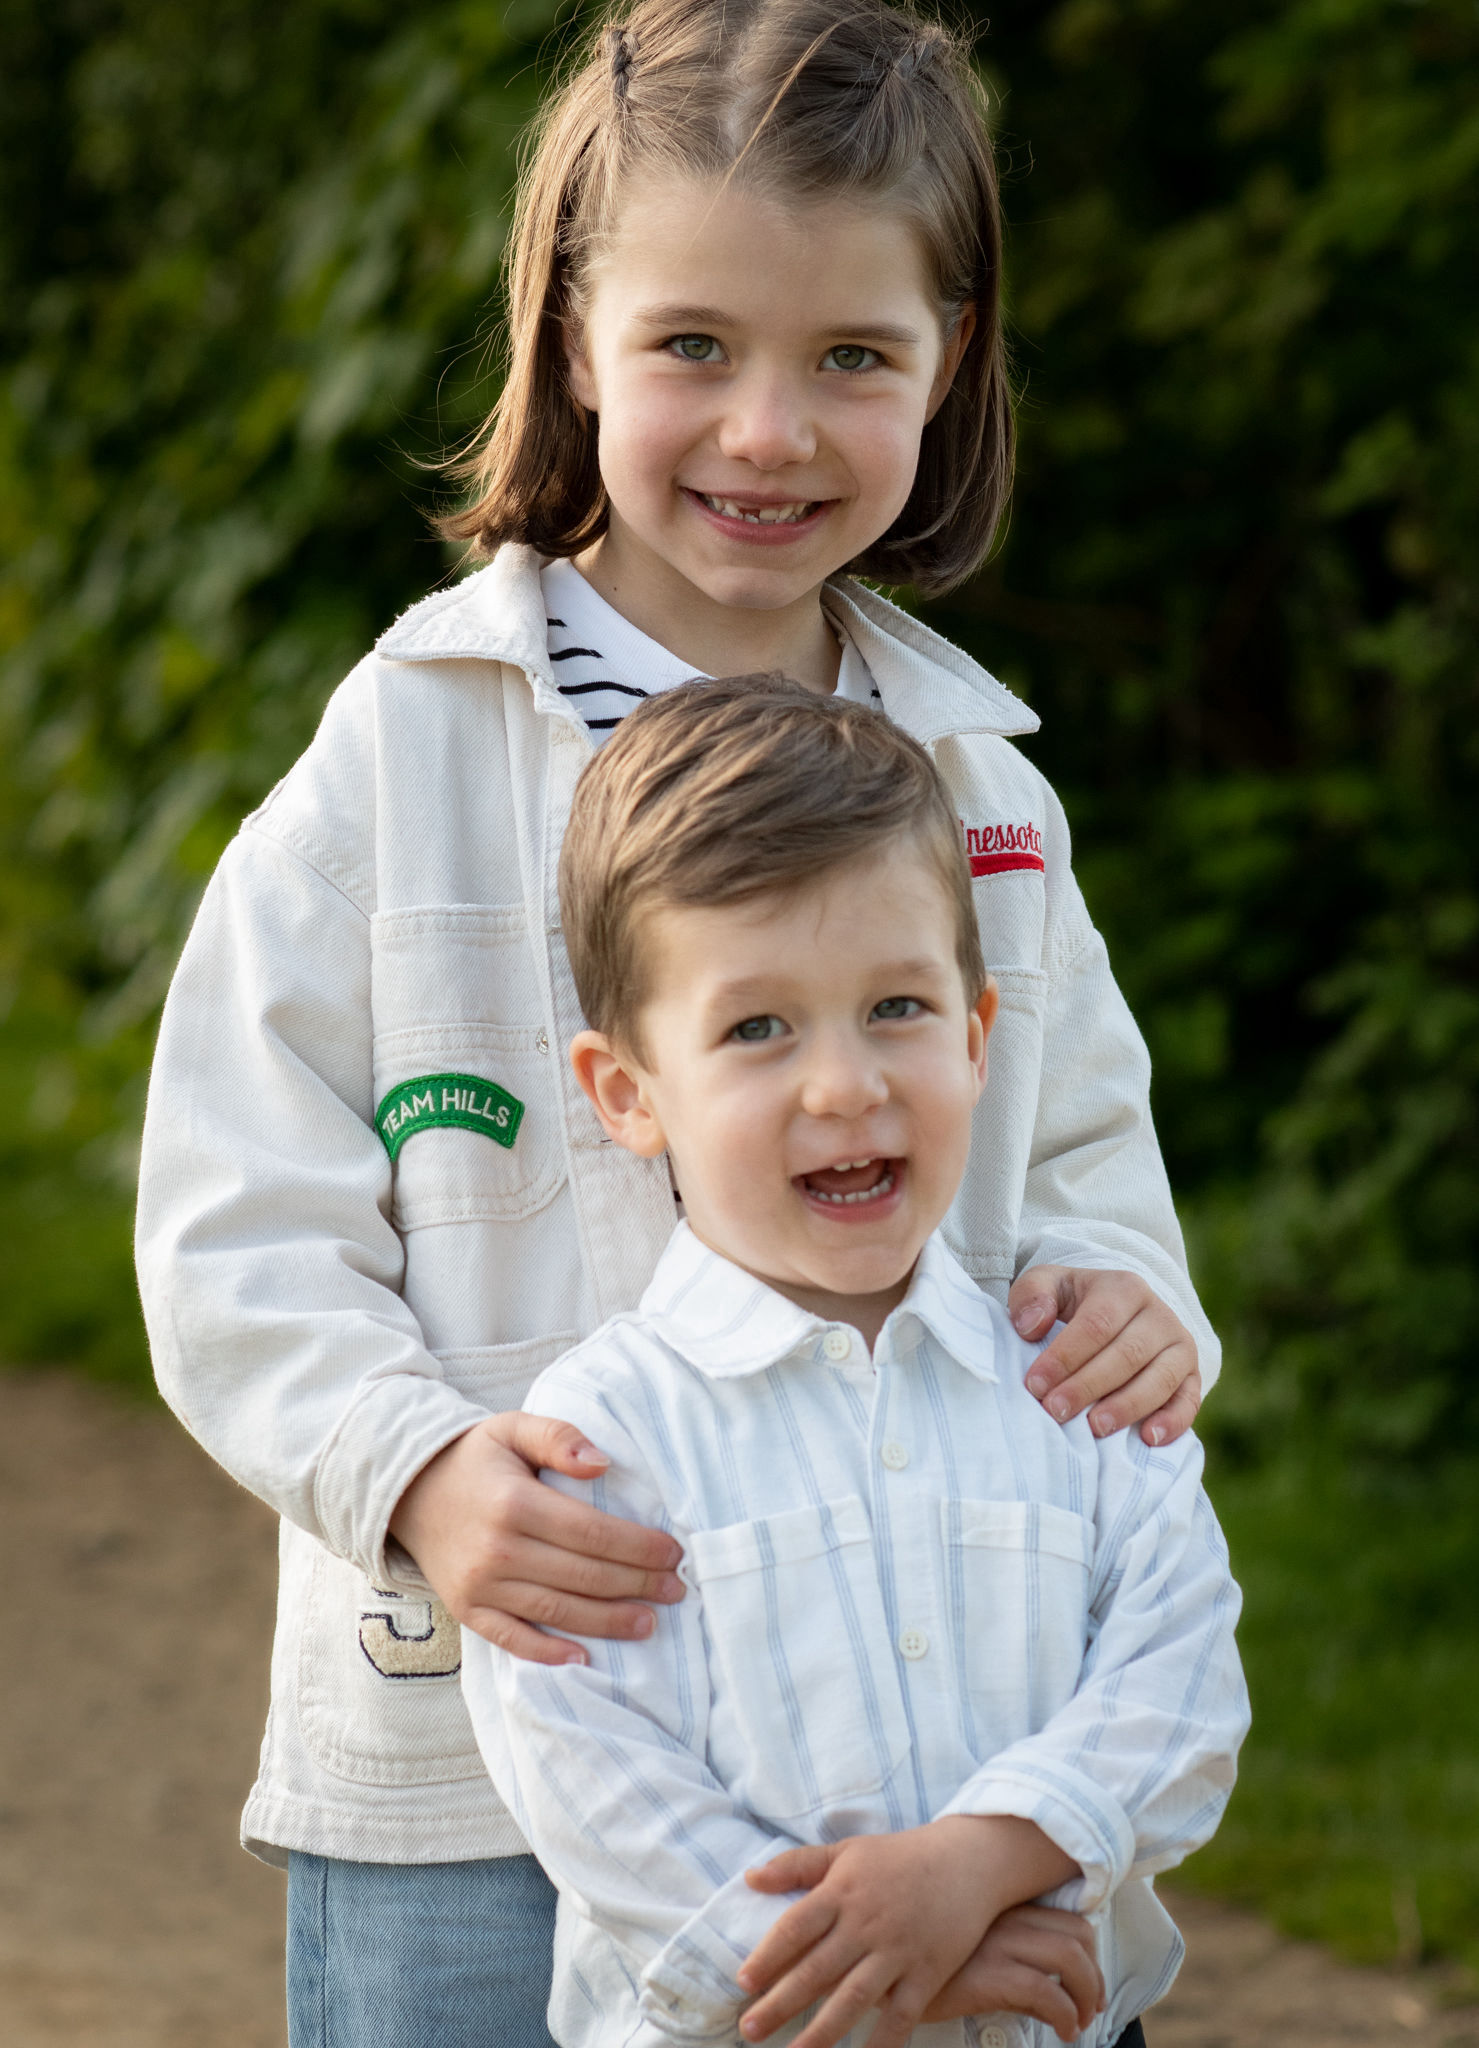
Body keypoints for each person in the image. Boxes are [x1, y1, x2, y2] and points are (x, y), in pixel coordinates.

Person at [135, 3, 1221, 2042]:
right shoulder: (408, 754)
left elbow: (1075, 1162)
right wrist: (421, 1471)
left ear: (947, 364)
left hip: (915, 1767)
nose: (767, 433)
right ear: (568, 334)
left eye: (850, 359)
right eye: (693, 346)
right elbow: (230, 1216)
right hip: (479, 1752)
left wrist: (1128, 1292)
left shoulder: (981, 794)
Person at [461, 675, 1248, 2048]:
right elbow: (592, 1784)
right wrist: (875, 1961)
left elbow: (1178, 1681)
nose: (845, 1085)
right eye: (759, 1028)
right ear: (629, 1096)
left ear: (978, 1036)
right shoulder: (605, 1439)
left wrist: (986, 1863)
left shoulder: (1069, 1381)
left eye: (896, 1007)